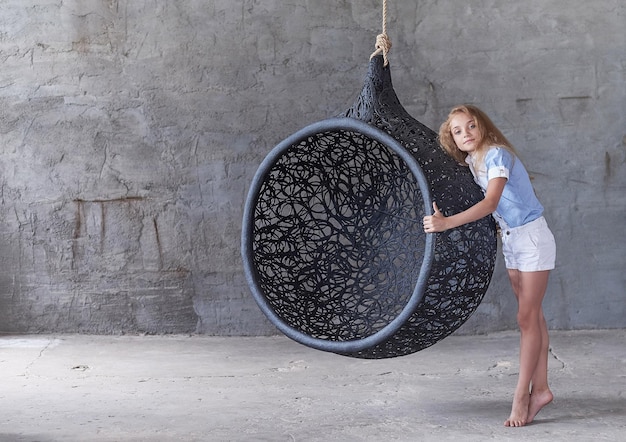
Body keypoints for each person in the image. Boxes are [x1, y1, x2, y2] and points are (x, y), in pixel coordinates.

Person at [423, 104, 556, 427]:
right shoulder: (472, 160)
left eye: (471, 126)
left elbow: (491, 202)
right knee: (533, 317)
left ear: (482, 127)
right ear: (452, 138)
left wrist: (447, 224)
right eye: (457, 131)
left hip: (531, 239)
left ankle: (520, 397)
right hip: (511, 240)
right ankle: (541, 390)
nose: (466, 134)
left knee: (526, 318)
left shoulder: (496, 155)